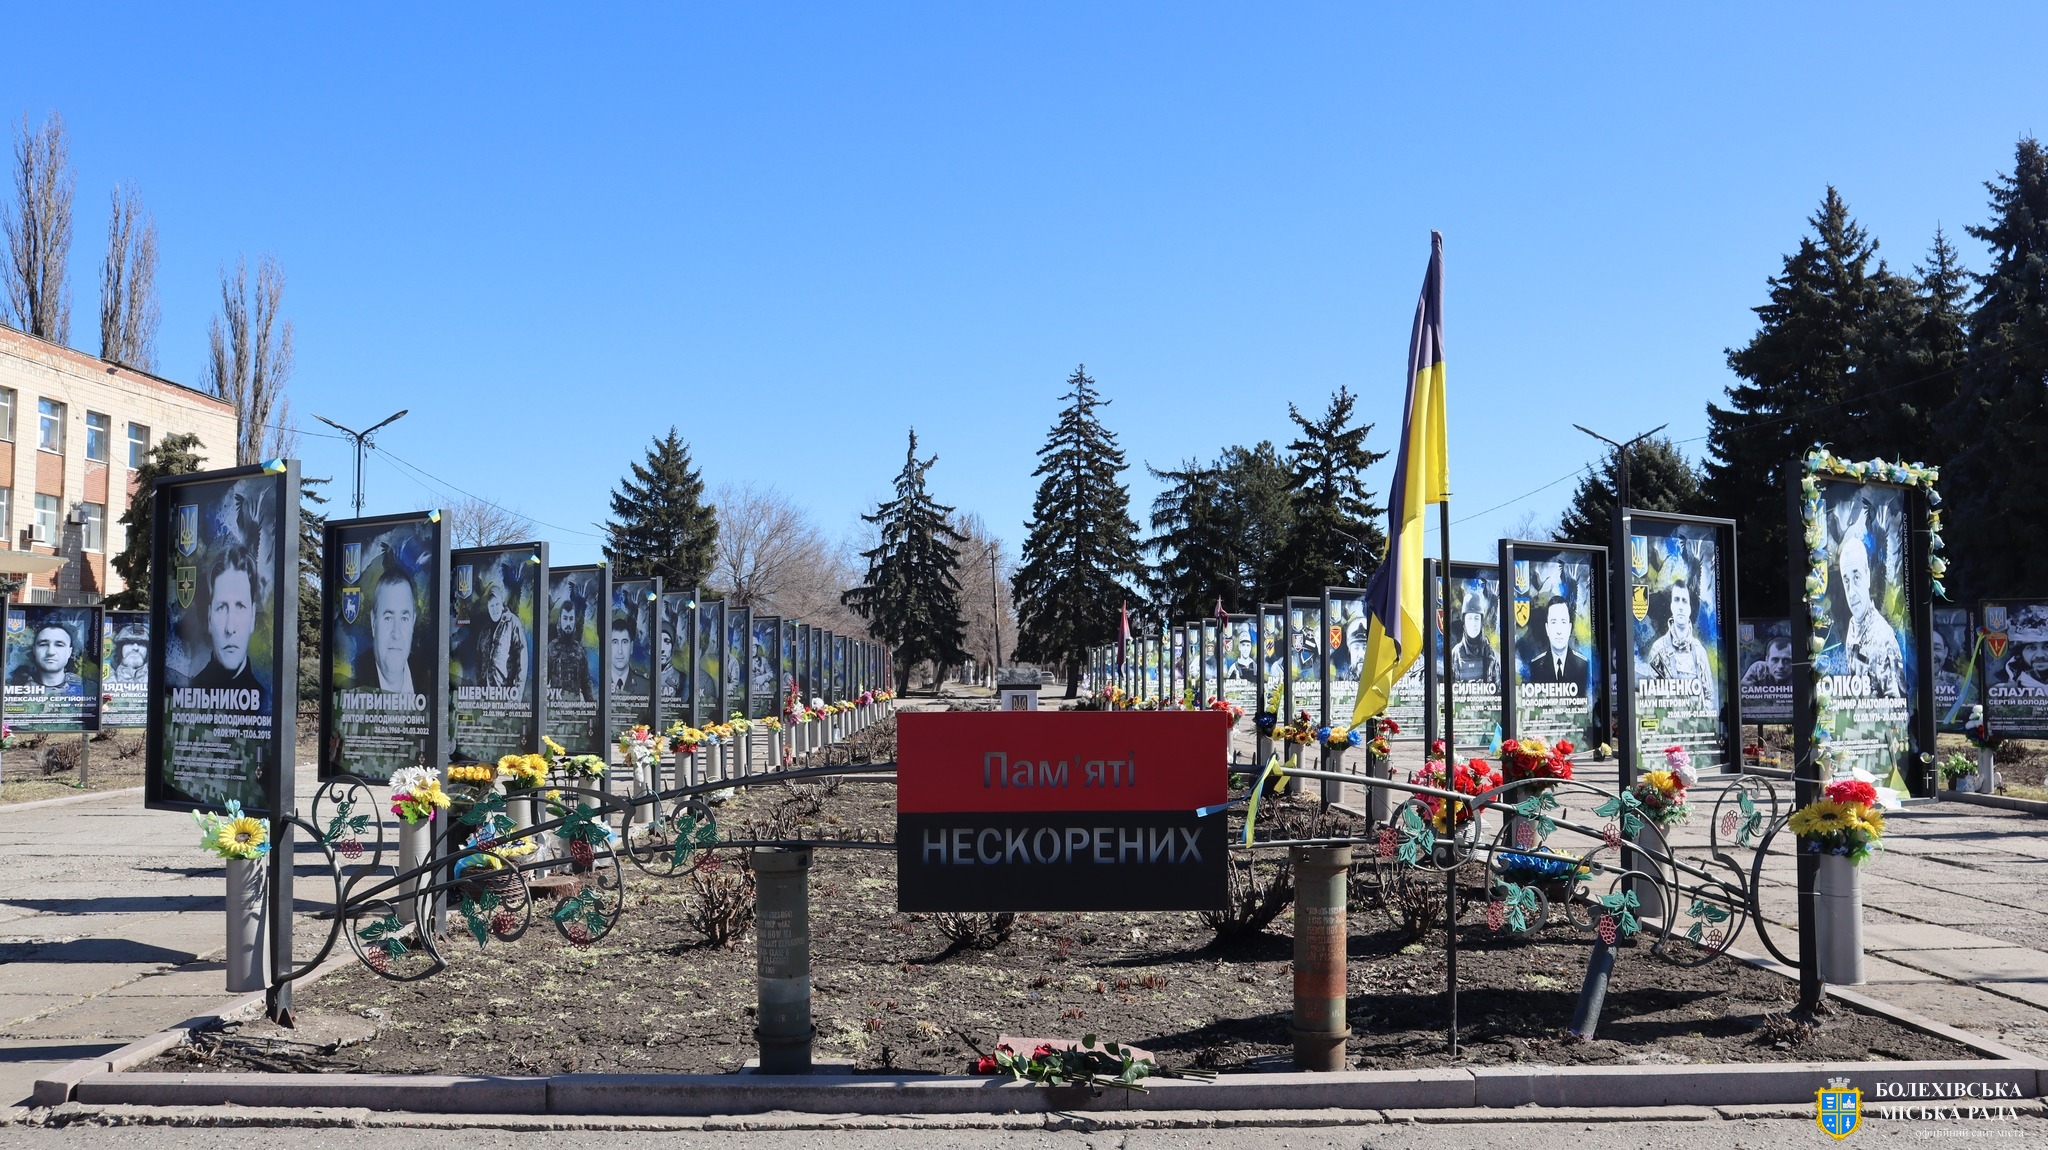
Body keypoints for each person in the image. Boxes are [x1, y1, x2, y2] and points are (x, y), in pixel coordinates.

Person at [1837, 529, 1905, 698]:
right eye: (1846, 581)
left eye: (1856, 577)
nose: (1851, 592)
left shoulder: (1884, 639)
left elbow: (1897, 703)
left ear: (1867, 576)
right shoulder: (1853, 626)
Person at [191, 547, 263, 690]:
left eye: (240, 606)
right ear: (209, 618)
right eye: (222, 608)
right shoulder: (189, 692)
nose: (230, 628)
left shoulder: (265, 699)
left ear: (253, 616)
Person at [356, 568, 429, 693]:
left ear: (413, 622)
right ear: (373, 622)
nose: (396, 634)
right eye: (388, 618)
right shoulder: (353, 678)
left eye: (404, 618)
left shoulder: (427, 677)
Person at [1525, 594, 1589, 687]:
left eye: (1563, 622)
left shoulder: (1583, 665)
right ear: (1547, 628)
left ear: (1569, 628)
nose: (1559, 631)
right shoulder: (1536, 666)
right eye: (1554, 622)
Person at [548, 577, 594, 702]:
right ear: (560, 620)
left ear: (574, 621)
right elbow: (542, 681)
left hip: (574, 710)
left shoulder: (579, 651)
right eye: (565, 618)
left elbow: (586, 684)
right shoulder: (551, 648)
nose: (568, 623)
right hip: (555, 709)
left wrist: (592, 708)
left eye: (571, 619)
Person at [12, 618, 84, 693]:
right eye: (43, 644)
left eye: (59, 645)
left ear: (69, 652)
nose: (50, 652)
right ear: (34, 650)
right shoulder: (15, 688)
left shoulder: (86, 686)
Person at [1449, 587, 1501, 685]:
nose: (1473, 623)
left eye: (1476, 618)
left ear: (1481, 622)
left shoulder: (1490, 654)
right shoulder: (1455, 654)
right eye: (1469, 618)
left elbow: (1499, 689)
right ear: (1464, 621)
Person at [1997, 607, 2048, 689]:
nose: (2040, 655)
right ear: (2020, 652)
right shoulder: (2000, 690)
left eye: (2046, 647)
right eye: (2031, 647)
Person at [610, 610, 650, 698]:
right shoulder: (598, 683)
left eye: (624, 642)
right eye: (615, 642)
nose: (620, 651)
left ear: (631, 647)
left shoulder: (645, 685)